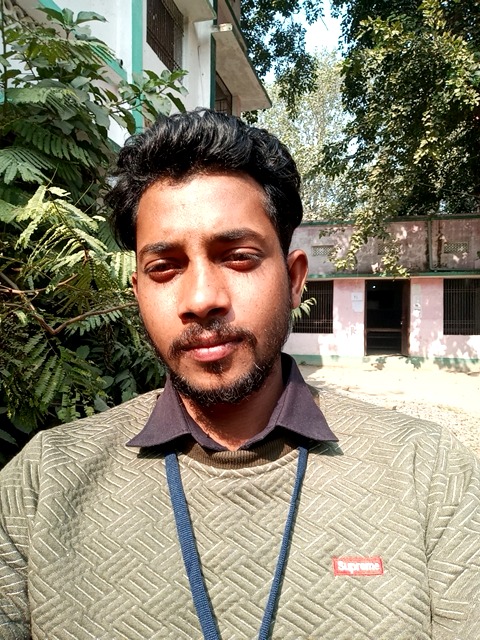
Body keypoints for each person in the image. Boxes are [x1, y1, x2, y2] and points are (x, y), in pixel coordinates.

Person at [0, 109, 479, 640]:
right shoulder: (43, 483)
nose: (202, 299)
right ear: (138, 292)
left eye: (238, 257)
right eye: (165, 268)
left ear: (294, 280)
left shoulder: (428, 472)